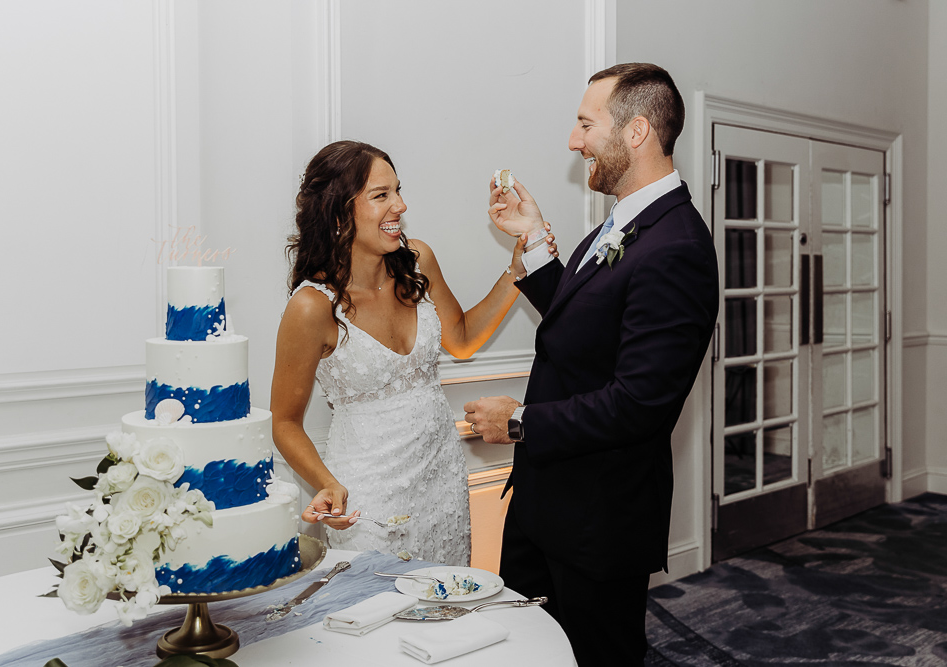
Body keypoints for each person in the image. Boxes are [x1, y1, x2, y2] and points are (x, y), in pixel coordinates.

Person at [463, 63, 720, 665]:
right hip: (544, 502)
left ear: (636, 133)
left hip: (599, 522)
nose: (574, 141)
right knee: (528, 653)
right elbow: (584, 330)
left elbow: (640, 402)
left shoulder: (676, 244)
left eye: (585, 124)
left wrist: (521, 422)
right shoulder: (622, 224)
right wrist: (532, 240)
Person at [271, 140, 557, 566]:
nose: (400, 206)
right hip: (366, 491)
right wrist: (326, 484)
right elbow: (285, 422)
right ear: (336, 212)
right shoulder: (312, 306)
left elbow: (461, 338)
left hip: (440, 477)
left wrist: (517, 269)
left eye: (398, 191)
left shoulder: (417, 262)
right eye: (381, 195)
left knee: (445, 604)